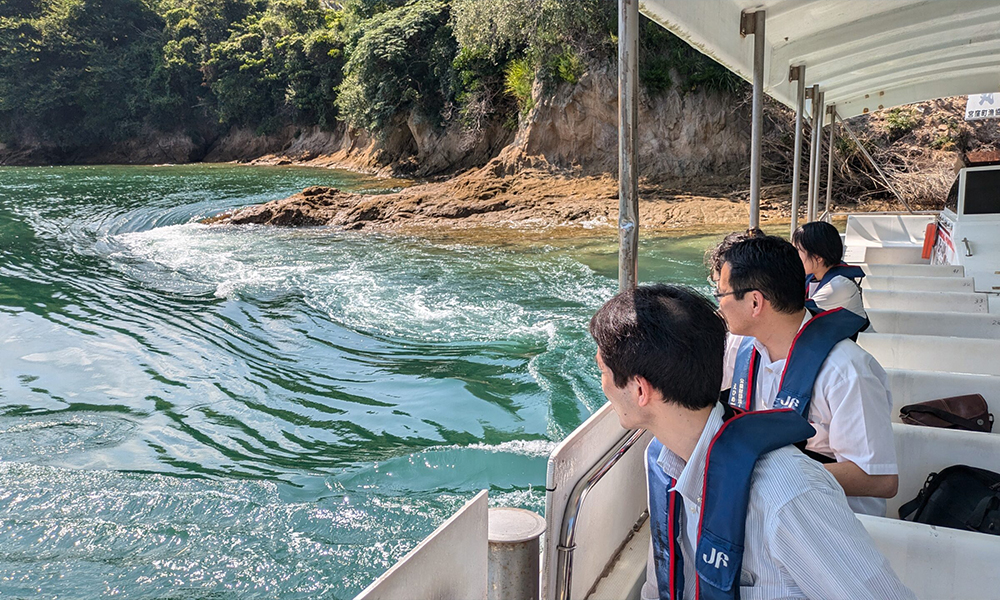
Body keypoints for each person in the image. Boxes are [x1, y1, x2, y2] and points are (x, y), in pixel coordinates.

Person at [589, 284, 914, 600]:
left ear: (640, 391)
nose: (602, 384)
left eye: (603, 371)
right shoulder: (665, 460)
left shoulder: (788, 496)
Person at [716, 236, 897, 516]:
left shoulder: (847, 371)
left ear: (755, 302)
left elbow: (880, 480)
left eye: (722, 295)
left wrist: (765, 474)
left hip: (835, 520)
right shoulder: (743, 346)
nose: (720, 306)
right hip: (771, 508)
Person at [792, 221, 867, 322]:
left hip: (857, 338)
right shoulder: (814, 276)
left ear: (818, 257)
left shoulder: (839, 286)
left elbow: (795, 314)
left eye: (797, 251)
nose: (793, 256)